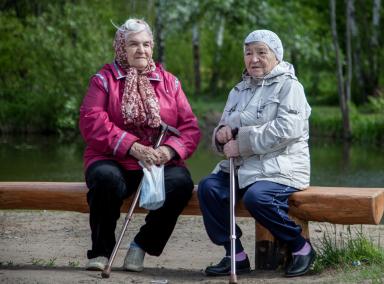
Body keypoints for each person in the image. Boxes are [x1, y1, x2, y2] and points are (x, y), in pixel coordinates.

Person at [79, 18, 201, 272]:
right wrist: (132, 146)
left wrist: (168, 151)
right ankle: (101, 251)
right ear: (120, 47)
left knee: (180, 183)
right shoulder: (103, 80)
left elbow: (189, 128)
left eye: (146, 44)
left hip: (158, 161)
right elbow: (92, 122)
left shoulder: (170, 83)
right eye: (133, 44)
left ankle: (140, 246)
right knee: (104, 179)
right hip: (114, 159)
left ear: (152, 47)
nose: (141, 50)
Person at [197, 29, 314, 277]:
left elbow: (287, 129)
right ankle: (235, 256)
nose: (254, 59)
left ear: (276, 56)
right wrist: (221, 134)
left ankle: (300, 247)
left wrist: (242, 145)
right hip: (244, 168)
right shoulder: (238, 90)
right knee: (208, 188)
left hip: (282, 166)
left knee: (257, 198)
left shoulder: (290, 87)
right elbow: (226, 123)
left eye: (262, 52)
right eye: (249, 53)